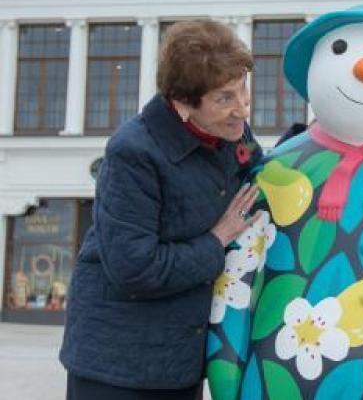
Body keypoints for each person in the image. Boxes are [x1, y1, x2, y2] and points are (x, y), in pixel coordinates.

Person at [59, 20, 263, 399]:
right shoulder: (134, 152)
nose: (242, 109)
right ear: (183, 104)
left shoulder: (230, 133)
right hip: (117, 365)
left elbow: (261, 177)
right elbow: (134, 267)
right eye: (225, 98)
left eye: (243, 90)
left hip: (180, 359)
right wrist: (217, 239)